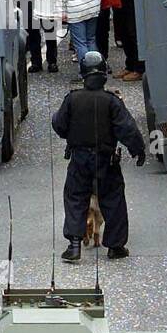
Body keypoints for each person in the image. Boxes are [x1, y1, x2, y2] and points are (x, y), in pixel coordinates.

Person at [52, 51, 145, 262]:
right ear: (103, 74)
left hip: (79, 158)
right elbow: (127, 128)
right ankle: (115, 246)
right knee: (113, 199)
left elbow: (59, 124)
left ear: (83, 75)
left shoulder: (72, 99)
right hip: (106, 159)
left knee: (75, 198)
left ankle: (74, 245)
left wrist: (72, 134)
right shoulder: (112, 101)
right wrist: (137, 149)